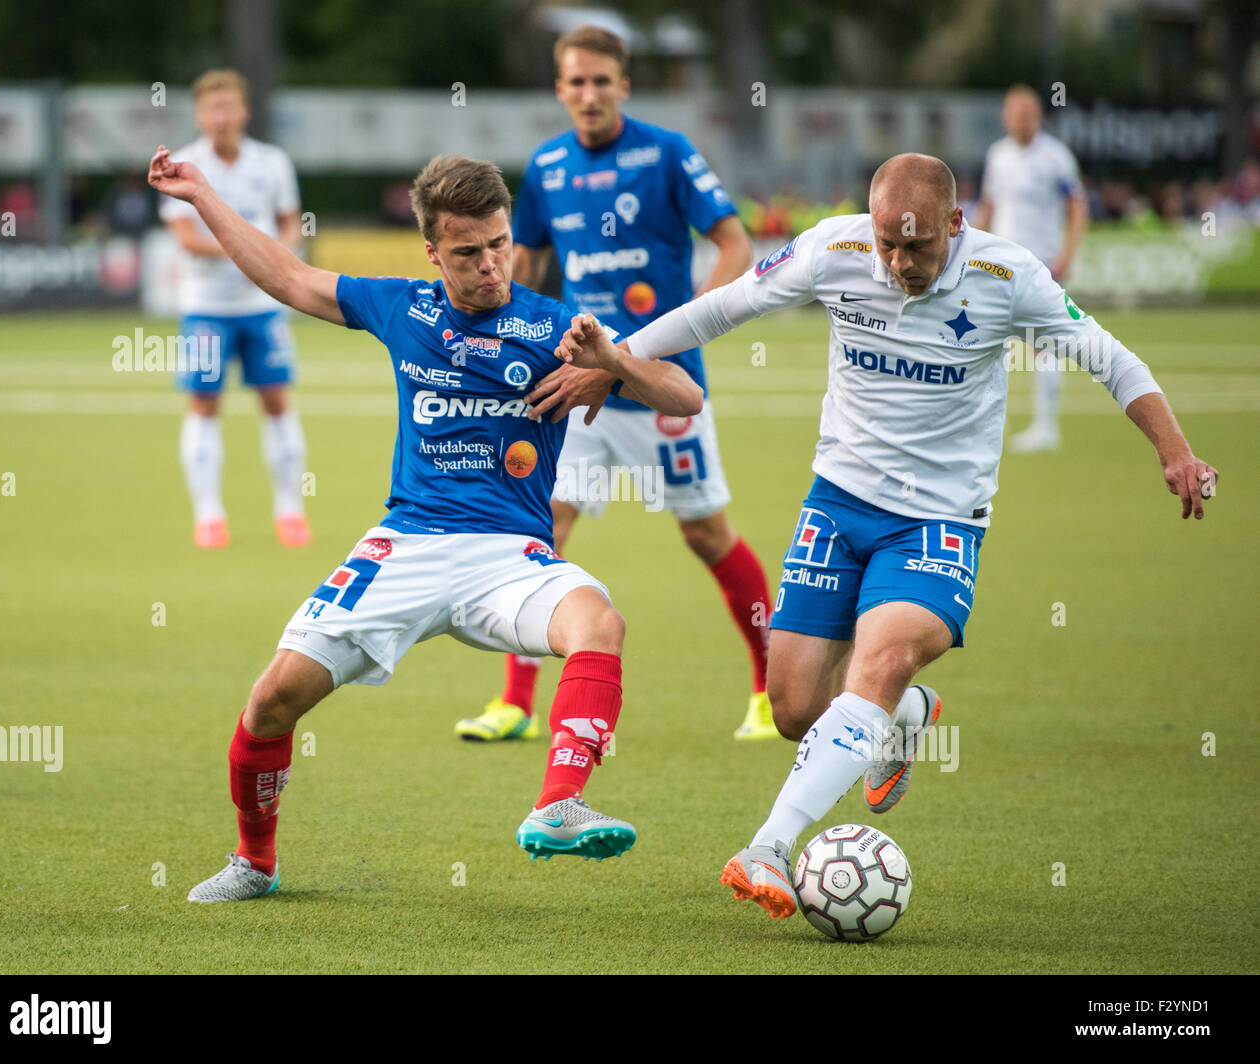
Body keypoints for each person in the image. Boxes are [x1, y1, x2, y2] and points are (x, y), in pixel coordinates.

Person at [550, 152, 1218, 921]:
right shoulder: (834, 249)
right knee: (796, 708)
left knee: (888, 654)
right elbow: (722, 308)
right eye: (887, 245)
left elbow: (1110, 359)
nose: (899, 262)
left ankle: (769, 845)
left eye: (918, 247)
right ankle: (902, 716)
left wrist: (1174, 451)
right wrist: (619, 361)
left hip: (938, 520)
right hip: (837, 504)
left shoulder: (1009, 276)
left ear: (957, 226)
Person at [147, 146, 703, 901]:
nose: (490, 266)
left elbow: (684, 396)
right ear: (433, 251)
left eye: (500, 245)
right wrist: (202, 194)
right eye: (468, 253)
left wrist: (613, 362)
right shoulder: (401, 306)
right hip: (403, 546)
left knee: (599, 623)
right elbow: (287, 277)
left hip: (512, 558)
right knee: (273, 698)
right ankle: (255, 861)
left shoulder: (557, 327)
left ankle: (558, 804)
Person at [457, 24, 778, 745]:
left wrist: (684, 329)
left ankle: (768, 688)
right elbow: (531, 270)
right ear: (560, 88)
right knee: (541, 530)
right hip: (575, 384)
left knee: (706, 534)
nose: (590, 93)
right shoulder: (545, 167)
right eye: (576, 81)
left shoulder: (666, 153)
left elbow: (735, 244)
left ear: (624, 86)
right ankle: (515, 702)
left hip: (658, 382)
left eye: (603, 81)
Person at [159, 69, 311, 549]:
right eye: (211, 108)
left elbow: (292, 224)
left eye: (229, 107)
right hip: (206, 306)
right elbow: (184, 236)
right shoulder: (183, 163)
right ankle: (209, 515)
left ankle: (290, 510)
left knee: (276, 399)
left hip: (263, 305)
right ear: (200, 115)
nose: (220, 117)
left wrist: (274, 257)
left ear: (243, 111)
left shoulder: (272, 162)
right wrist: (246, 250)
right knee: (204, 404)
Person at [976, 84, 1088, 453]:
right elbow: (989, 205)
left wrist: (1068, 251)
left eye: (1026, 113)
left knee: (1043, 343)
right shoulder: (998, 155)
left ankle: (1046, 426)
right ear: (1006, 116)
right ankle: (987, 419)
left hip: (1040, 259)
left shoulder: (1056, 157)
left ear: (1038, 116)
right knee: (989, 340)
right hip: (1000, 260)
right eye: (1014, 113)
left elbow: (1076, 206)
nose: (1019, 120)